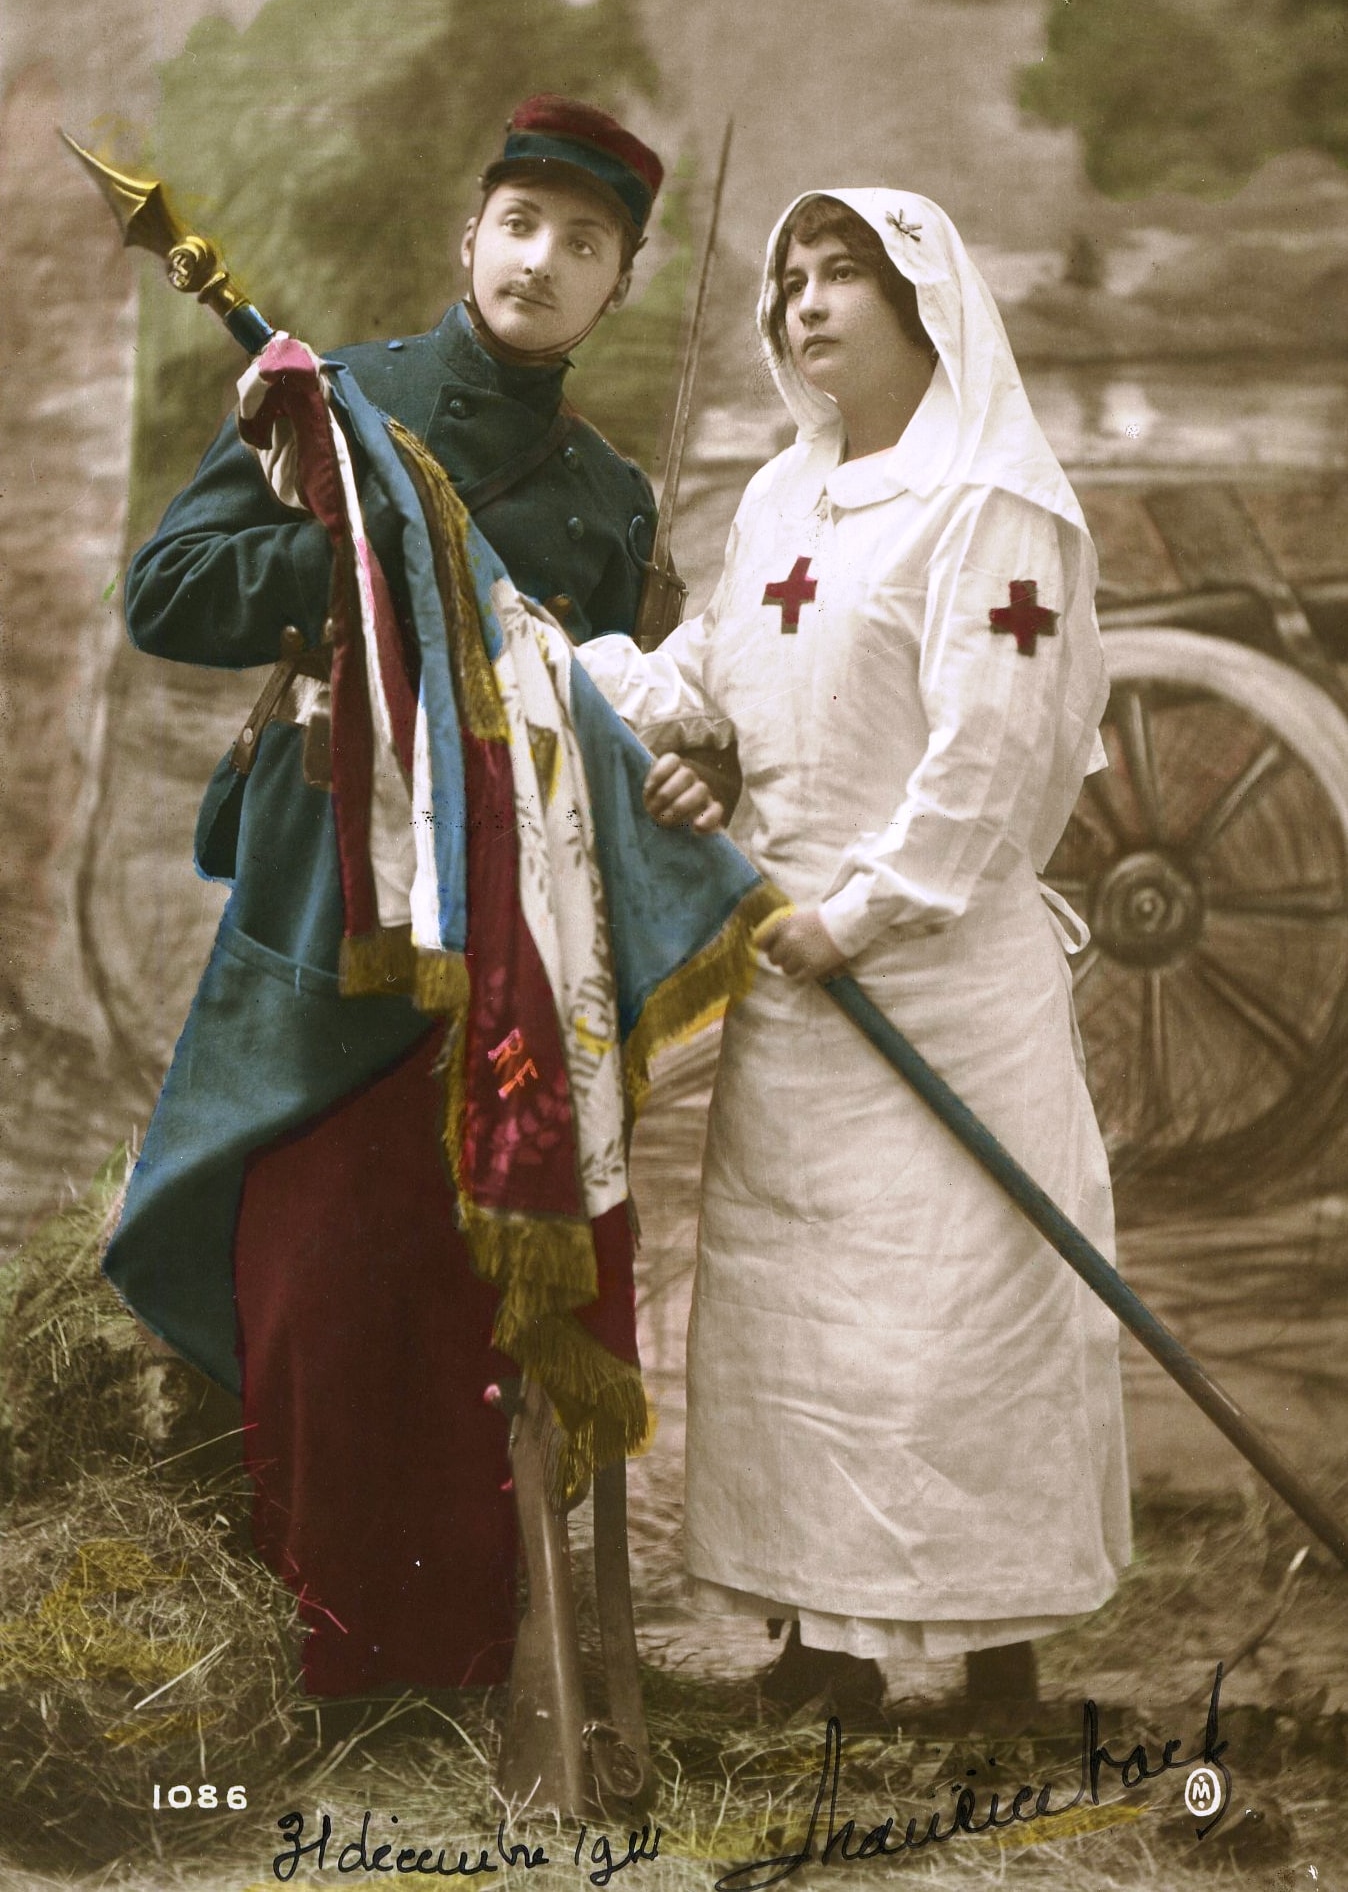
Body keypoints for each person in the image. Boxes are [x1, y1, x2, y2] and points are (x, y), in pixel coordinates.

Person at [105, 98, 665, 1706]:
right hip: (333, 911)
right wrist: (345, 549)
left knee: (462, 1288)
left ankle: (464, 1666)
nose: (541, 261)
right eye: (521, 225)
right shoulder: (333, 402)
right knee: (316, 1283)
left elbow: (607, 720)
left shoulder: (609, 496)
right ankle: (321, 1663)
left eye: (584, 243)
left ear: (616, 284)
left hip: (508, 940)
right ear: (470, 236)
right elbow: (164, 591)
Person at [580, 187, 1131, 1721]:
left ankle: (994, 1657)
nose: (808, 302)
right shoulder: (780, 500)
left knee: (959, 1319)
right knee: (805, 1320)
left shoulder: (992, 507)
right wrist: (547, 660)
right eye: (793, 278)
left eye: (844, 275)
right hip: (796, 981)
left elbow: (993, 750)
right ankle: (824, 1650)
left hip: (940, 983)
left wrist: (867, 912)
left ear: (922, 303)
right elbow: (708, 683)